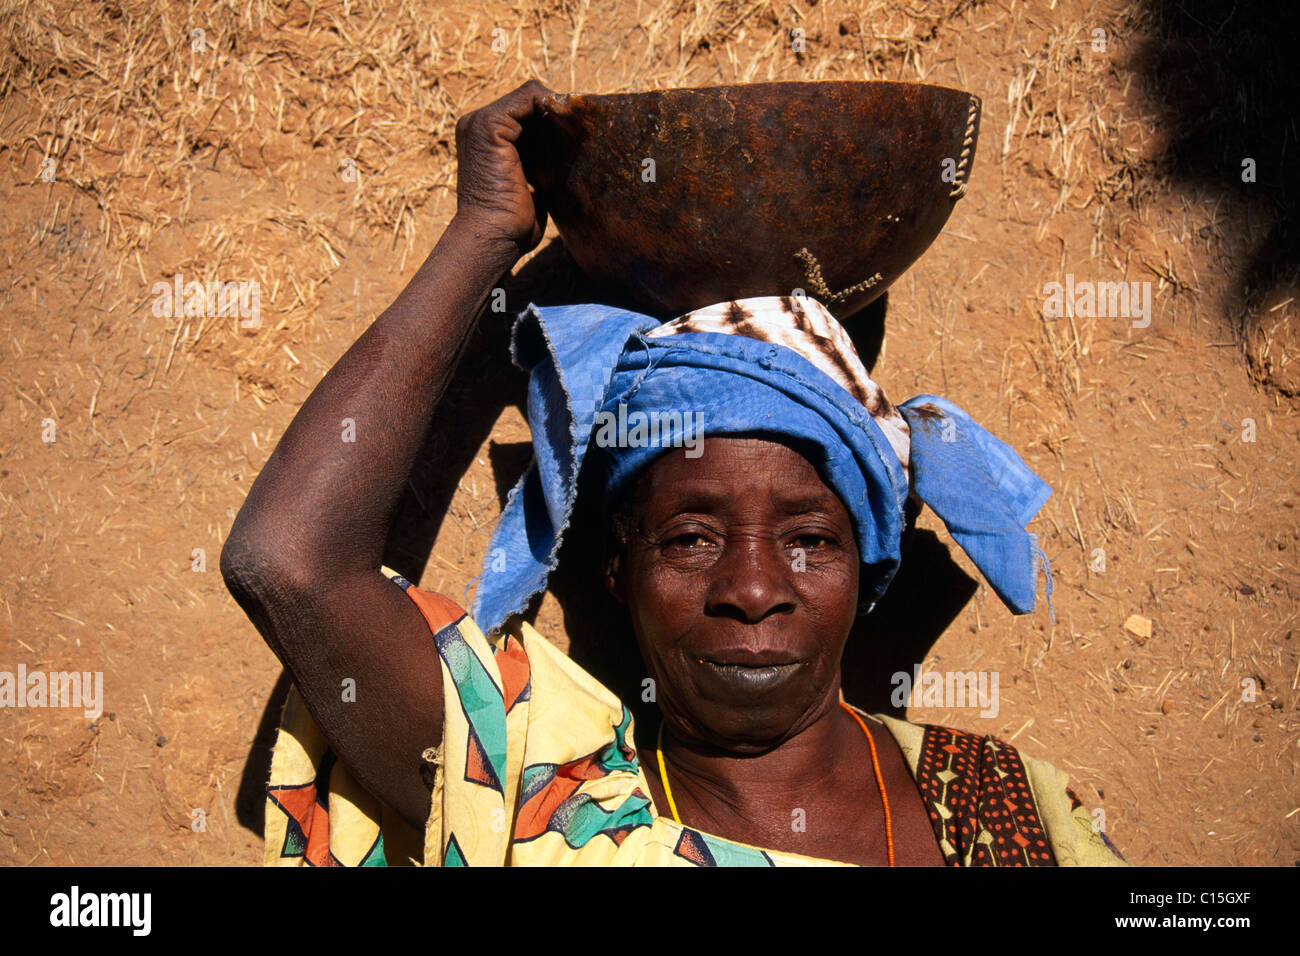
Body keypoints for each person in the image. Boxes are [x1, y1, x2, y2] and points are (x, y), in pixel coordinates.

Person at [222, 81, 1127, 867]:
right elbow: (289, 562)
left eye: (811, 539)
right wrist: (484, 233)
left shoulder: (1001, 810)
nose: (752, 589)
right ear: (619, 574)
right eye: (690, 537)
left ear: (869, 567)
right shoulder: (556, 806)